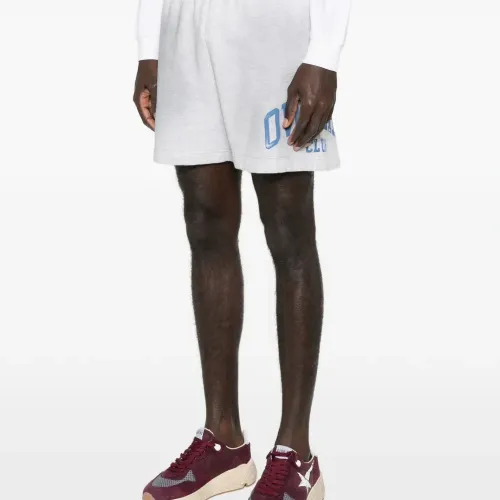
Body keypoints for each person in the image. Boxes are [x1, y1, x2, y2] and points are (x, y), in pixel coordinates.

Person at [134, 0, 351, 499]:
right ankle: (223, 441)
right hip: (184, 29)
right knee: (205, 220)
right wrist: (150, 46)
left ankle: (296, 453)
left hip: (273, 28)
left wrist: (324, 53)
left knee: (288, 228)